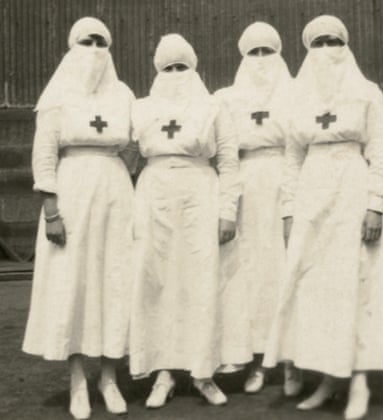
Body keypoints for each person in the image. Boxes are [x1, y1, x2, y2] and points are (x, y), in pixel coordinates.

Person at [262, 15, 383, 420]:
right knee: (318, 288)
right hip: (312, 194)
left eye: (334, 41)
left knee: (357, 283)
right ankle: (328, 377)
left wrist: (375, 203)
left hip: (352, 192)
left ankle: (358, 380)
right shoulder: (297, 98)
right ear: (308, 50)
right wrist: (289, 210)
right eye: (319, 43)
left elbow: (382, 150)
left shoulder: (367, 92)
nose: (327, 50)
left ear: (346, 46)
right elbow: (292, 158)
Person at [21, 17, 136, 420]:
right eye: (86, 42)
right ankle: (77, 381)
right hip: (71, 193)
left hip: (115, 194)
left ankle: (108, 378)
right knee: (73, 281)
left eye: (101, 42)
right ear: (73, 47)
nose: (94, 50)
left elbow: (134, 145)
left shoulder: (122, 93)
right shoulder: (58, 95)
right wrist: (51, 211)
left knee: (114, 280)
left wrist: (125, 173)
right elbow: (44, 155)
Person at [128, 33, 241, 408]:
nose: (175, 74)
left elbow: (228, 162)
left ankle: (203, 371)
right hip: (154, 193)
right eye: (168, 68)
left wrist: (227, 211)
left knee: (201, 280)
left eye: (182, 67)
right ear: (157, 71)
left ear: (193, 68)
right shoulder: (141, 108)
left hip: (200, 192)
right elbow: (128, 158)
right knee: (158, 280)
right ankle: (163, 373)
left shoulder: (213, 107)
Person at [213, 21, 294, 394]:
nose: (261, 59)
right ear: (243, 56)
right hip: (244, 186)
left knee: (282, 269)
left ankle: (290, 360)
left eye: (268, 51)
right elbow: (224, 154)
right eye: (253, 52)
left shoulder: (296, 93)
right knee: (247, 275)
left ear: (279, 54)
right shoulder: (226, 99)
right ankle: (254, 359)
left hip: (283, 182)